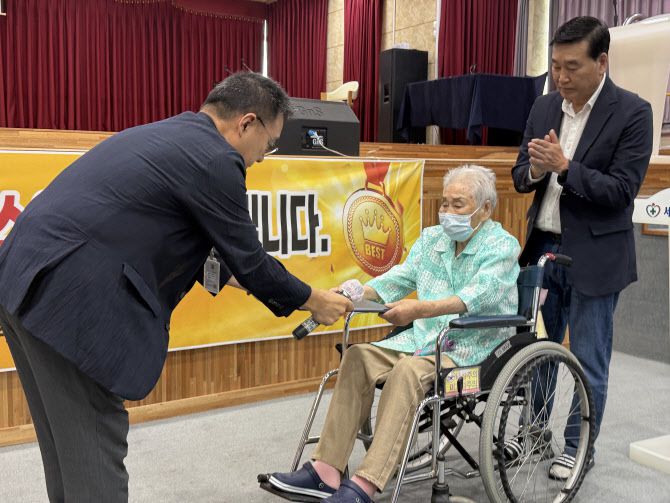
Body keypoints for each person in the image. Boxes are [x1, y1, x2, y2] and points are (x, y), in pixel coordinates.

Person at [0, 72, 353, 502]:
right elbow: (252, 261)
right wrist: (315, 301)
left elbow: (196, 245)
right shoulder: (216, 159)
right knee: (93, 450)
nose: (264, 156)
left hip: (23, 277)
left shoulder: (172, 135)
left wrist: (246, 279)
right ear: (247, 123)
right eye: (270, 143)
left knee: (66, 449)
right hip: (70, 301)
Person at [264, 165, 520, 503]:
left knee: (407, 372)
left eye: (458, 204)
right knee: (357, 357)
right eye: (444, 203)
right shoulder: (433, 239)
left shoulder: (502, 246)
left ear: (485, 209)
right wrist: (356, 293)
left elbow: (476, 296)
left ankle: (366, 484)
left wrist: (419, 309)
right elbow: (399, 278)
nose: (447, 212)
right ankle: (325, 471)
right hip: (423, 340)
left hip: (473, 350)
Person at [511, 16, 653, 480]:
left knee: (588, 359)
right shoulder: (543, 107)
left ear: (602, 62)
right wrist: (536, 170)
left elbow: (621, 191)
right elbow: (520, 176)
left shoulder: (633, 112)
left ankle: (578, 446)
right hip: (543, 251)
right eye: (555, 65)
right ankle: (534, 434)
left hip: (596, 256)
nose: (561, 77)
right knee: (538, 351)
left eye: (572, 67)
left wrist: (566, 167)